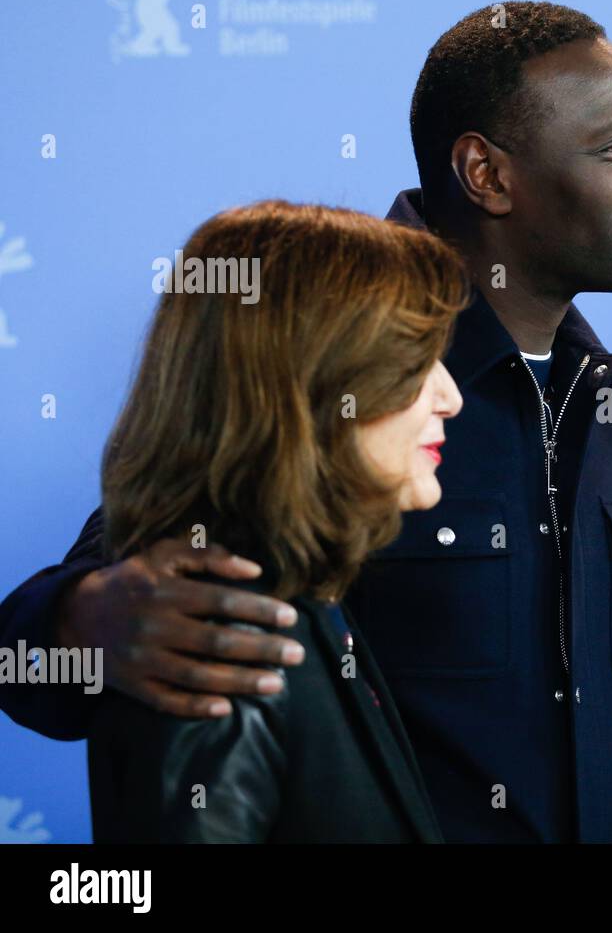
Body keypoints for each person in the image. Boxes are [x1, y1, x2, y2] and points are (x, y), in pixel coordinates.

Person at [0, 3, 612, 844]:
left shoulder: (601, 399)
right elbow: (56, 647)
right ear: (487, 174)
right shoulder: (333, 370)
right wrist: (85, 622)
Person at [87, 200, 465, 841]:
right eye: (413, 362)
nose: (450, 396)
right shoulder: (220, 641)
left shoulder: (304, 595)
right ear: (307, 379)